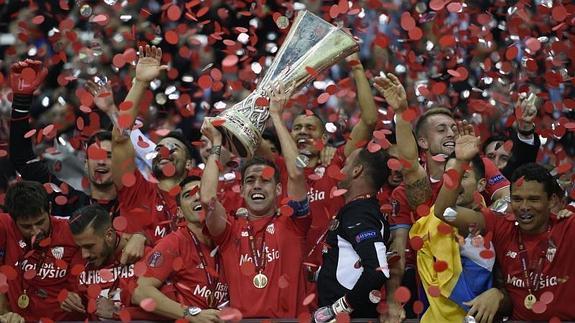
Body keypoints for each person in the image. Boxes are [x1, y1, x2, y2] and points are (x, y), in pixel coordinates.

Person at [373, 73, 510, 321]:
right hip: (434, 293)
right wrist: (402, 113)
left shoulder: (478, 166)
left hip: (485, 285)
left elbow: (509, 200)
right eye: (441, 129)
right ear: (422, 141)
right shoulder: (409, 191)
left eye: (453, 128)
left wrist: (487, 222)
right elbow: (399, 250)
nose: (450, 133)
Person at [433, 130, 575, 320]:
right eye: (517, 199)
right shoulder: (501, 225)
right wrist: (460, 163)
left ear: (552, 201)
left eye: (533, 199)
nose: (524, 207)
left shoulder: (569, 228)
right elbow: (444, 212)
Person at [199, 83, 310, 318]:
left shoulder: (294, 222)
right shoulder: (230, 229)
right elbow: (208, 198)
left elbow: (297, 172)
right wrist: (217, 144)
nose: (257, 185)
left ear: (279, 189)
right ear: (241, 189)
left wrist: (277, 117)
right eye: (250, 180)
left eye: (265, 180)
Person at [410, 122, 502, 322]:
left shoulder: (489, 221)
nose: (456, 182)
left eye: (464, 176)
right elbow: (446, 212)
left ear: (482, 184)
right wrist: (460, 163)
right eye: (451, 176)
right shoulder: (434, 222)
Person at [108, 45, 196, 244]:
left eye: (173, 148)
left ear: (190, 164)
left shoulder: (199, 197)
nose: (164, 151)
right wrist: (140, 83)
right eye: (159, 149)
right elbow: (120, 136)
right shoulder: (135, 190)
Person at [8, 59, 118, 218]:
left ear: (123, 162)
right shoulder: (68, 202)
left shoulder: (137, 202)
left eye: (109, 156)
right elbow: (23, 160)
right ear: (85, 164)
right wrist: (21, 101)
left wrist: (112, 110)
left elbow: (129, 141)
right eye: (95, 156)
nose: (101, 161)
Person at [133, 176, 226, 322]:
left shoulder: (228, 236)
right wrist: (191, 314)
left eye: (201, 192)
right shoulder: (174, 243)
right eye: (188, 195)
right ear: (180, 212)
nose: (196, 197)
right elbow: (140, 292)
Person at [314, 147, 392, 321]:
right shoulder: (362, 210)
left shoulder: (359, 213)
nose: (341, 171)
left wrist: (338, 309)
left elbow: (379, 269)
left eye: (345, 165)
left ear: (357, 170)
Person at [0, 181, 81, 322]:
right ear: (13, 219)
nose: (35, 232)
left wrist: (134, 237)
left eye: (40, 222)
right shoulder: (6, 227)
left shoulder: (72, 231)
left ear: (49, 209)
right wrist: (4, 312)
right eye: (26, 226)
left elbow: (111, 238)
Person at [62, 204, 149, 320]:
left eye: (89, 246)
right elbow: (82, 311)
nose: (84, 254)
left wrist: (118, 312)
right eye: (80, 247)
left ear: (109, 235)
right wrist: (70, 302)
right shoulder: (80, 263)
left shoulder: (143, 255)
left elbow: (165, 313)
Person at [483, 92, 541, 179]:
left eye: (504, 158)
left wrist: (525, 126)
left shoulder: (514, 184)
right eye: (491, 157)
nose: (496, 163)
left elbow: (524, 159)